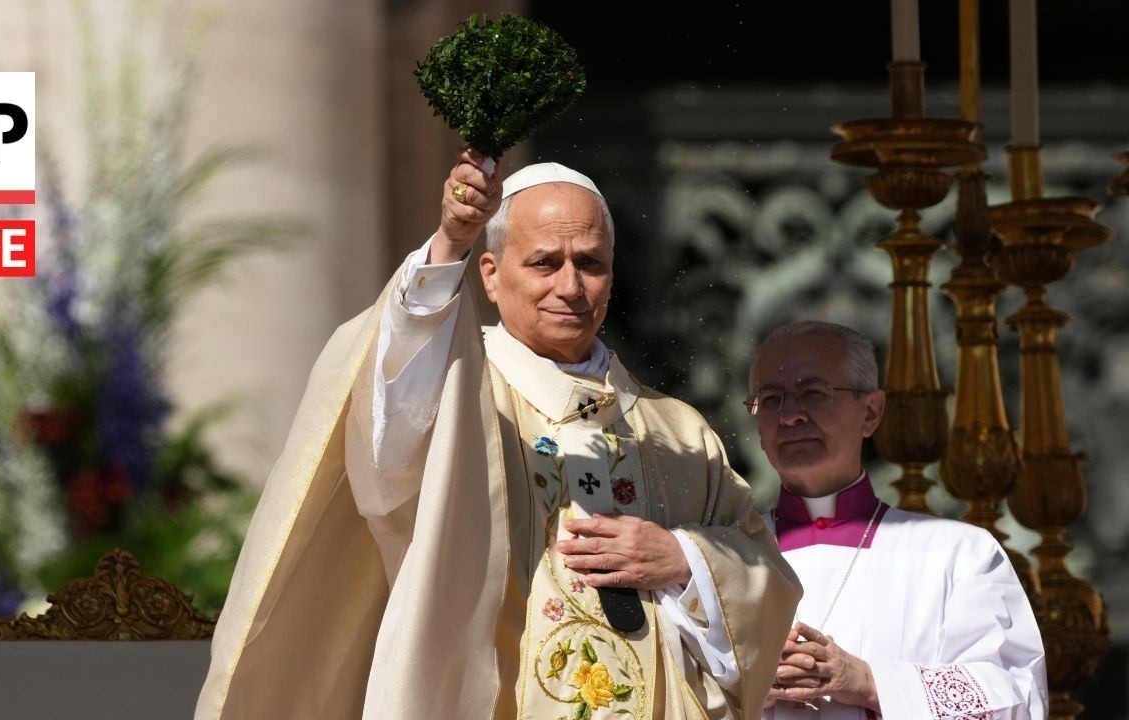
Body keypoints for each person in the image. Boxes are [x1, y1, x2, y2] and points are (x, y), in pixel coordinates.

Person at [194, 151, 801, 720]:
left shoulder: (678, 433)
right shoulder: (460, 394)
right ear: (489, 273)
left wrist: (683, 560)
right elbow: (393, 411)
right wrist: (449, 242)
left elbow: (767, 583)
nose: (571, 286)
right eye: (544, 262)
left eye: (590, 263)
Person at [748, 320, 1047, 719]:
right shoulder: (721, 557)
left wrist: (869, 682)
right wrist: (743, 687)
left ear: (870, 412)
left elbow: (1017, 700)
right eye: (771, 399)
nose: (789, 416)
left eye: (812, 393)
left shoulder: (960, 554)